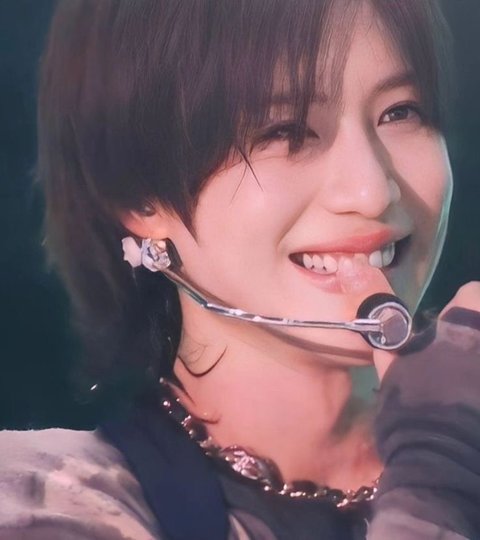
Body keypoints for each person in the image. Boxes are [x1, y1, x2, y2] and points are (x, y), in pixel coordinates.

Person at [1, 0, 480, 538]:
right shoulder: (47, 499)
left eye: (401, 112)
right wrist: (443, 469)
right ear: (139, 197)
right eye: (287, 131)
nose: (371, 193)